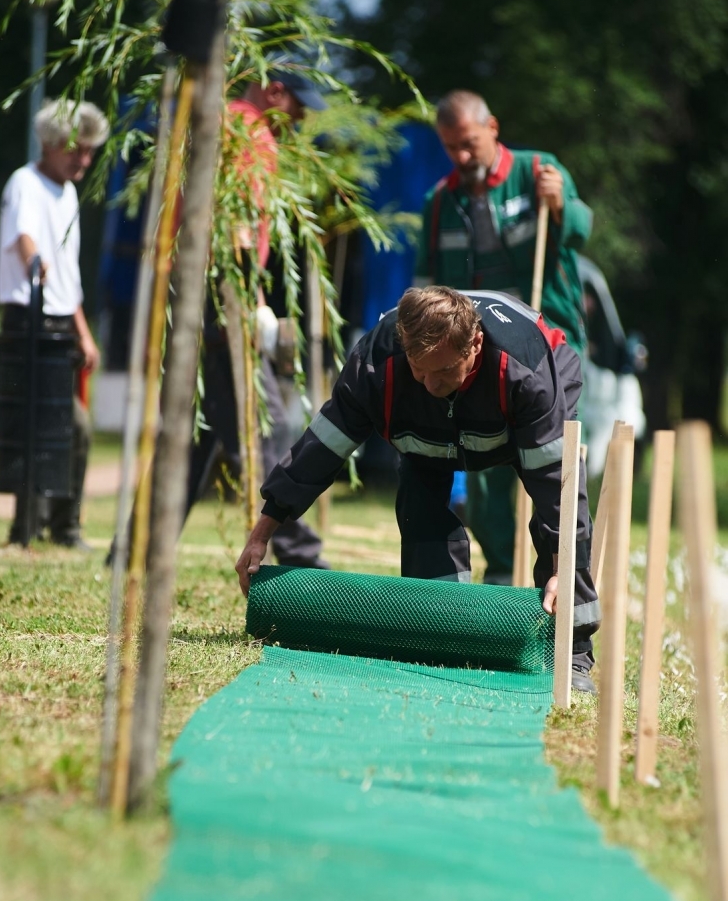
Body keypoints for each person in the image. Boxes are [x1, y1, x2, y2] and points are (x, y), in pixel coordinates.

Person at [236, 286, 600, 693]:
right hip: (429, 432)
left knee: (558, 515)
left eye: (442, 370)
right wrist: (263, 530)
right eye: (418, 367)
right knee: (417, 500)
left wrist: (559, 566)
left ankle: (572, 653)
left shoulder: (527, 376)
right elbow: (321, 449)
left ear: (475, 344)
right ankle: (445, 631)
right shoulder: (375, 367)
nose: (429, 383)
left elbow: (557, 489)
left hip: (527, 394)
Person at [414, 90, 592, 585]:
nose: (462, 156)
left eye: (469, 143)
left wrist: (560, 205)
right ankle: (497, 574)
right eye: (451, 148)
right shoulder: (439, 202)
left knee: (552, 459)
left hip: (545, 341)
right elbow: (425, 279)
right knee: (487, 461)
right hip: (479, 352)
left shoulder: (538, 171)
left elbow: (580, 230)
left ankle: (560, 572)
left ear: (492, 127)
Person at [182, 70, 328, 567]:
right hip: (224, 292)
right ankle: (298, 549)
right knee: (267, 425)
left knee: (197, 433)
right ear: (275, 91)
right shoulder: (247, 131)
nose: (302, 118)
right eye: (298, 106)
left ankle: (135, 547)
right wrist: (240, 298)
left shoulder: (225, 124)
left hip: (214, 289)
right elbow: (236, 223)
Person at [0, 98, 108, 547]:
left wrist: (83, 332)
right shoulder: (25, 183)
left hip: (62, 321)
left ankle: (59, 524)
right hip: (28, 317)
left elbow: (69, 275)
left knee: (67, 424)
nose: (83, 160)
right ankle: (35, 526)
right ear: (50, 143)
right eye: (74, 150)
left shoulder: (69, 193)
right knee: (44, 422)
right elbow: (24, 236)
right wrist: (33, 262)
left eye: (88, 152)